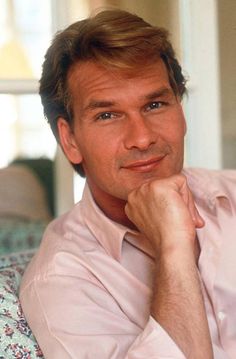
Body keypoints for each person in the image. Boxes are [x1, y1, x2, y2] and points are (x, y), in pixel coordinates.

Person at [19, 9, 236, 359]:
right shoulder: (62, 281)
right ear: (70, 139)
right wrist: (173, 250)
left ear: (180, 111)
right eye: (107, 115)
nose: (142, 137)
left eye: (154, 104)